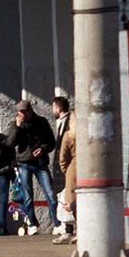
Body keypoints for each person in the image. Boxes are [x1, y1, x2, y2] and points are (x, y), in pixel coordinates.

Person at [5, 99, 58, 235]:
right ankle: (32, 223)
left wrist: (43, 149)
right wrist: (17, 127)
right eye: (20, 112)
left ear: (30, 110)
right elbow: (10, 144)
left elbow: (51, 142)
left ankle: (56, 222)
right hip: (24, 163)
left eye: (24, 111)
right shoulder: (16, 124)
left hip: (40, 163)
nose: (22, 114)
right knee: (27, 195)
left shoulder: (41, 122)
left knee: (50, 193)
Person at [0, 132, 29, 234]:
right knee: (4, 199)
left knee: (18, 196)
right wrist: (10, 166)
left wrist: (14, 167)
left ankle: (26, 221)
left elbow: (14, 156)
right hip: (3, 173)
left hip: (11, 171)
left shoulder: (6, 146)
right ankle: (2, 227)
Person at [51, 96, 77, 245]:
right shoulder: (63, 123)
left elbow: (63, 153)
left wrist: (64, 169)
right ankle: (66, 229)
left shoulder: (68, 126)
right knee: (66, 199)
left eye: (53, 107)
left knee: (69, 199)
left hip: (69, 170)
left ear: (58, 108)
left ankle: (68, 230)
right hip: (69, 169)